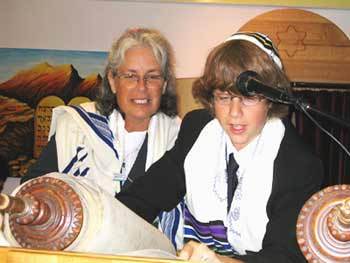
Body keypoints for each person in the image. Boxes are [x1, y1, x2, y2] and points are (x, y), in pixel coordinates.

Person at [117, 32, 324, 262]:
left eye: (249, 97)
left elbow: (285, 257)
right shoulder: (197, 131)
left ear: (271, 99)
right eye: (224, 97)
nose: (234, 113)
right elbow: (143, 198)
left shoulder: (299, 165)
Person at [21, 28, 182, 246]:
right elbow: (33, 190)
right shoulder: (76, 127)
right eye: (130, 76)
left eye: (152, 77)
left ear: (163, 84)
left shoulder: (180, 138)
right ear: (113, 81)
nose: (142, 87)